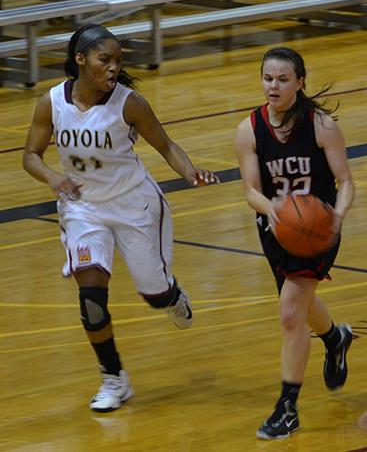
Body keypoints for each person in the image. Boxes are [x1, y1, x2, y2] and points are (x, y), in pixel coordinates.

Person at [23, 24, 219, 413]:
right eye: (104, 60)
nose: (113, 68)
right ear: (81, 60)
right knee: (92, 300)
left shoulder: (131, 104)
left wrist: (190, 172)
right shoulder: (52, 102)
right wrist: (53, 177)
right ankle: (114, 377)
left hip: (134, 206)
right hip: (83, 209)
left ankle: (172, 294)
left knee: (154, 294)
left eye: (118, 61)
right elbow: (30, 155)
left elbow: (166, 145)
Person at [234, 47, 355, 440]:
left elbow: (346, 181)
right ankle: (335, 337)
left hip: (319, 227)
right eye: (268, 78)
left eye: (283, 79)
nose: (274, 86)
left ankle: (287, 408)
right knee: (298, 307)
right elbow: (251, 190)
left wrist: (337, 216)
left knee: (289, 314)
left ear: (300, 82)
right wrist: (275, 210)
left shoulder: (320, 125)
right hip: (276, 226)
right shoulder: (249, 128)